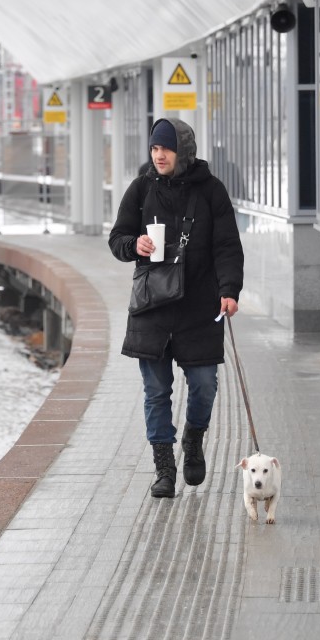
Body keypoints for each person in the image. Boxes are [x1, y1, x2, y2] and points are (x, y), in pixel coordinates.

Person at [108, 117, 244, 498]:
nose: (159, 155)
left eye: (166, 148)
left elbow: (228, 247)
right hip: (152, 307)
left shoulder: (211, 192)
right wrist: (134, 244)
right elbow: (117, 238)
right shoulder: (140, 190)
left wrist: (229, 289)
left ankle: (193, 437)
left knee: (204, 386)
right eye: (154, 148)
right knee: (156, 392)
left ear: (183, 150)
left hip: (199, 307)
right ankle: (164, 468)